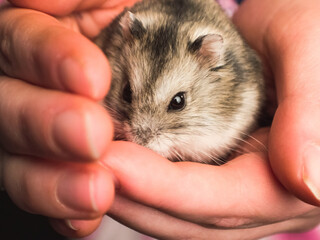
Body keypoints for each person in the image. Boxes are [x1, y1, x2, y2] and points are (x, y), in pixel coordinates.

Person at [1, 0, 320, 239]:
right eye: (128, 93)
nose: (140, 133)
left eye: (177, 102)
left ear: (213, 61)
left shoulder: (236, 86)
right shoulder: (119, 42)